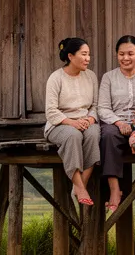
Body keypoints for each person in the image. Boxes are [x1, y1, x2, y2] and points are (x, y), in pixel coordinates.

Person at [97, 35, 135, 211]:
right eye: (121, 54)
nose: (125, 58)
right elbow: (103, 108)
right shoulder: (109, 77)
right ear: (117, 55)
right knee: (107, 135)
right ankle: (114, 189)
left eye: (130, 53)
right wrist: (119, 123)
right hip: (116, 123)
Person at [44, 37, 100, 206]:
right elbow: (51, 111)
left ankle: (80, 184)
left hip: (85, 121)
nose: (87, 58)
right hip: (59, 124)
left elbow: (95, 105)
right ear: (70, 56)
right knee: (73, 135)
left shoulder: (91, 76)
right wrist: (72, 122)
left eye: (89, 54)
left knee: (94, 133)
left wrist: (90, 119)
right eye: (83, 54)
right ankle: (80, 187)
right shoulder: (56, 78)